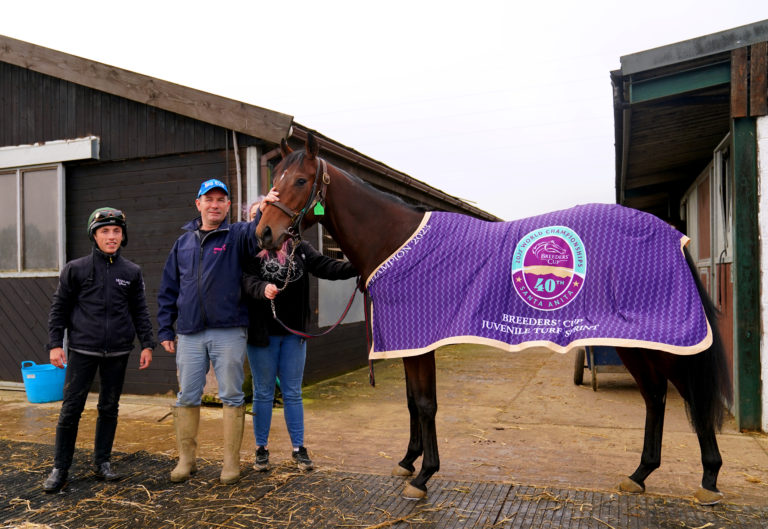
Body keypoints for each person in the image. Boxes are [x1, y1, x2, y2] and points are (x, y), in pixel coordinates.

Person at [157, 179, 273, 485]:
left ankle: (231, 463)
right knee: (187, 397)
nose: (215, 205)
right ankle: (186, 460)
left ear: (228, 206)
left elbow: (257, 232)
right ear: (198, 204)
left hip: (229, 330)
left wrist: (265, 207)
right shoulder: (182, 243)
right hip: (189, 333)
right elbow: (169, 289)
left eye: (221, 200)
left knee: (232, 396)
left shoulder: (236, 235)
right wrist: (165, 329)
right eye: (209, 199)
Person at [43, 208, 154, 493]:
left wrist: (147, 344)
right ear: (94, 235)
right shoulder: (75, 269)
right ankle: (60, 468)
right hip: (82, 351)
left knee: (109, 408)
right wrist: (55, 344)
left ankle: (102, 462)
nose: (111, 236)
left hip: (118, 352)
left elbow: (139, 310)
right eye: (105, 231)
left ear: (123, 235)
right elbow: (59, 310)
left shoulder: (131, 272)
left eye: (116, 231)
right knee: (71, 410)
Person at [242, 221, 357, 472]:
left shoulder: (300, 249)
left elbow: (327, 267)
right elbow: (246, 280)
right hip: (263, 335)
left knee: (293, 392)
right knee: (263, 392)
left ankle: (298, 448)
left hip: (294, 334)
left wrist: (358, 265)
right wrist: (263, 288)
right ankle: (261, 448)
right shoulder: (251, 250)